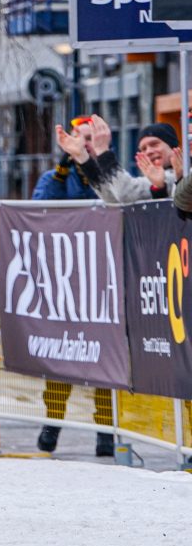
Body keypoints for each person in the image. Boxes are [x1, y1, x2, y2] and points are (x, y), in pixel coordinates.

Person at [31, 116, 115, 458]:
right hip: (64, 282)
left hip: (103, 281)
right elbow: (38, 211)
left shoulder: (112, 176)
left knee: (106, 361)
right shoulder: (55, 178)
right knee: (60, 355)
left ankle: (106, 431)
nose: (86, 145)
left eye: (91, 139)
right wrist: (64, 172)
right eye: (80, 139)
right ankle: (52, 422)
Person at [64, 117, 182, 203]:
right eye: (143, 148)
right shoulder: (150, 180)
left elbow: (126, 193)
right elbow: (112, 198)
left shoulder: (181, 176)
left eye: (154, 144)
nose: (149, 151)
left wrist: (103, 151)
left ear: (173, 147)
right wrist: (83, 158)